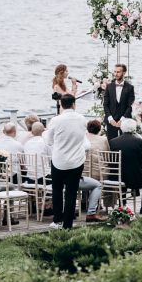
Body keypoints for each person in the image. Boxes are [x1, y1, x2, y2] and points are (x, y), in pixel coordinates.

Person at [44, 94, 90, 230]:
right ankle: (68, 224)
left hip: (59, 160)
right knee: (71, 192)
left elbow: (49, 141)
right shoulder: (82, 119)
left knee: (57, 190)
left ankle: (57, 220)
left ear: (62, 105)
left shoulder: (56, 120)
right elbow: (82, 138)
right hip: (76, 160)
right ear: (74, 104)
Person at [109, 118, 142, 214]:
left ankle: (123, 205)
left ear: (122, 128)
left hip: (115, 177)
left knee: (124, 172)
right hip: (133, 178)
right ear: (133, 129)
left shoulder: (113, 141)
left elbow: (111, 162)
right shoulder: (139, 142)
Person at [103, 63, 135, 140]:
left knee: (125, 144)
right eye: (115, 72)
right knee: (111, 144)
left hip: (124, 121)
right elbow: (105, 104)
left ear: (124, 73)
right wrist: (110, 119)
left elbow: (130, 106)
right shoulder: (109, 87)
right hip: (111, 121)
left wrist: (122, 120)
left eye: (118, 72)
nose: (116, 74)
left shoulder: (130, 88)